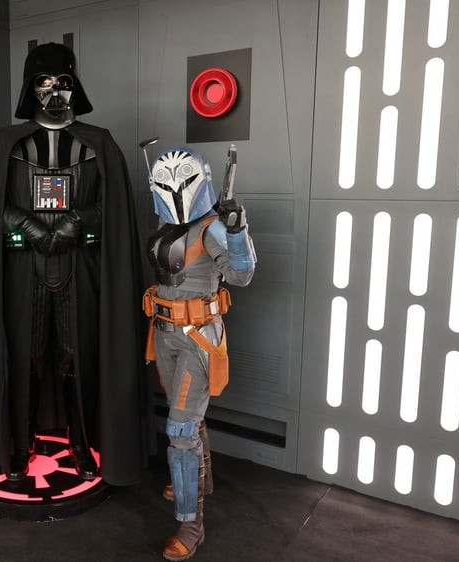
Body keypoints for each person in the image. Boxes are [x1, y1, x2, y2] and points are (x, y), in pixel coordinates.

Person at [0, 42, 147, 486]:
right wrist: (23, 223)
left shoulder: (100, 143)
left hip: (81, 267)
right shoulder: (5, 143)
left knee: (78, 352)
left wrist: (80, 220)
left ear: (76, 86)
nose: (54, 91)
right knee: (28, 353)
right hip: (24, 267)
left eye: (63, 82)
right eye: (44, 82)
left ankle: (82, 440)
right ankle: (21, 442)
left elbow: (115, 207)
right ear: (29, 88)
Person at [141, 147, 255, 560]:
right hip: (164, 334)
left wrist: (237, 231)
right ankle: (199, 481)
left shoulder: (213, 228)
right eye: (166, 184)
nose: (175, 192)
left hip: (197, 339)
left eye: (182, 183)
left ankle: (192, 524)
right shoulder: (165, 226)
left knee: (180, 429)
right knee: (186, 418)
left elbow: (241, 274)